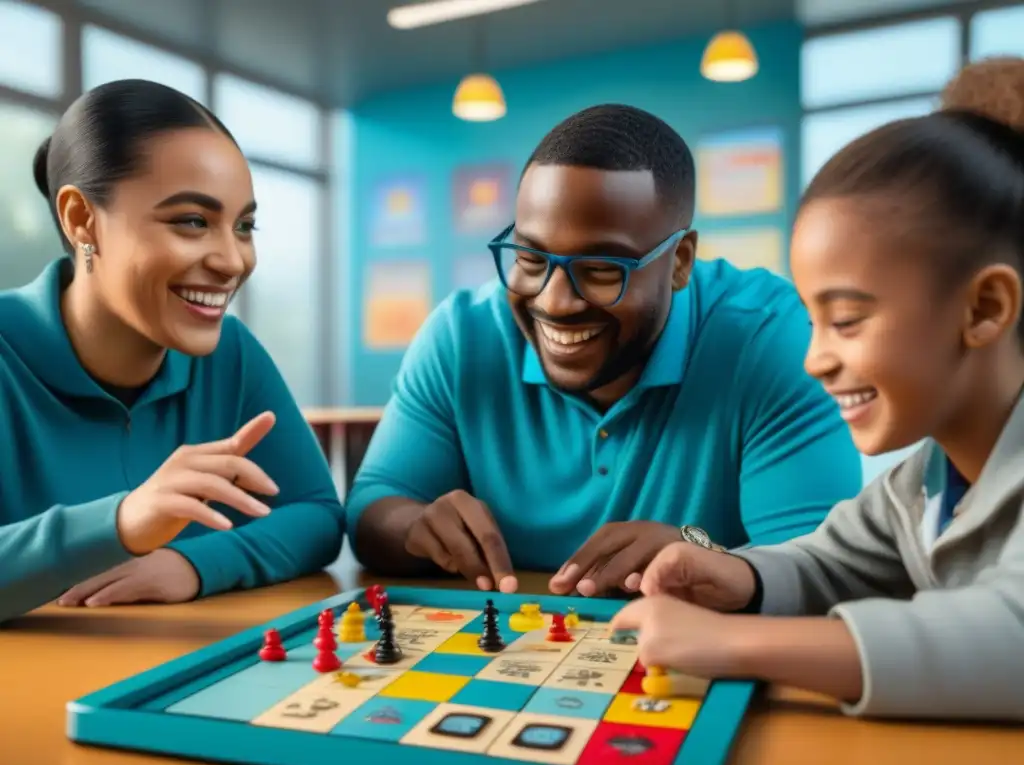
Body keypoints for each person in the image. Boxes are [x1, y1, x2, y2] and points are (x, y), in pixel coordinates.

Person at [610, 58, 1024, 722]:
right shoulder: (927, 477)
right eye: (813, 320)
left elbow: (1010, 636)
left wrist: (741, 643)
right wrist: (740, 578)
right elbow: (835, 561)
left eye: (849, 321)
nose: (815, 360)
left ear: (984, 309)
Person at [346, 104, 862, 596]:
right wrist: (415, 525)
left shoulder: (771, 340)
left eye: (601, 270)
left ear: (679, 261)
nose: (555, 302)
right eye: (529, 258)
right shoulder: (460, 336)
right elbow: (371, 509)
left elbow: (824, 568)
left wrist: (703, 552)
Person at [0, 80, 344, 623]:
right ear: (81, 219)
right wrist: (120, 523)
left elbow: (317, 515)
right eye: (192, 221)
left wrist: (194, 564)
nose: (233, 260)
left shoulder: (232, 353)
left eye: (244, 226)